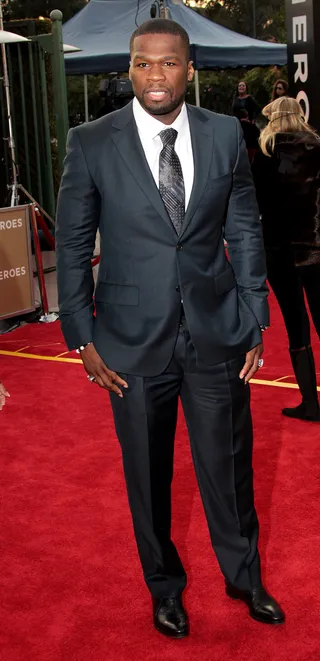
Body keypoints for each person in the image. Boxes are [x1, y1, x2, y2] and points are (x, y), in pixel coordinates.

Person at [56, 19, 284, 638]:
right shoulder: (92, 140)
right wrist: (82, 336)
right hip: (129, 342)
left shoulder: (224, 136)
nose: (154, 75)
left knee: (228, 467)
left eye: (167, 63)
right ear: (128, 69)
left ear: (190, 68)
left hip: (216, 332)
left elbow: (244, 227)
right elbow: (74, 245)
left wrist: (254, 314)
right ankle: (165, 588)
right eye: (141, 63)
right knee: (149, 479)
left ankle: (246, 578)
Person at [252, 97, 320, 421]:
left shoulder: (265, 152)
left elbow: (254, 202)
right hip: (316, 247)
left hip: (277, 250)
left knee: (297, 326)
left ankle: (310, 403)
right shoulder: (317, 146)